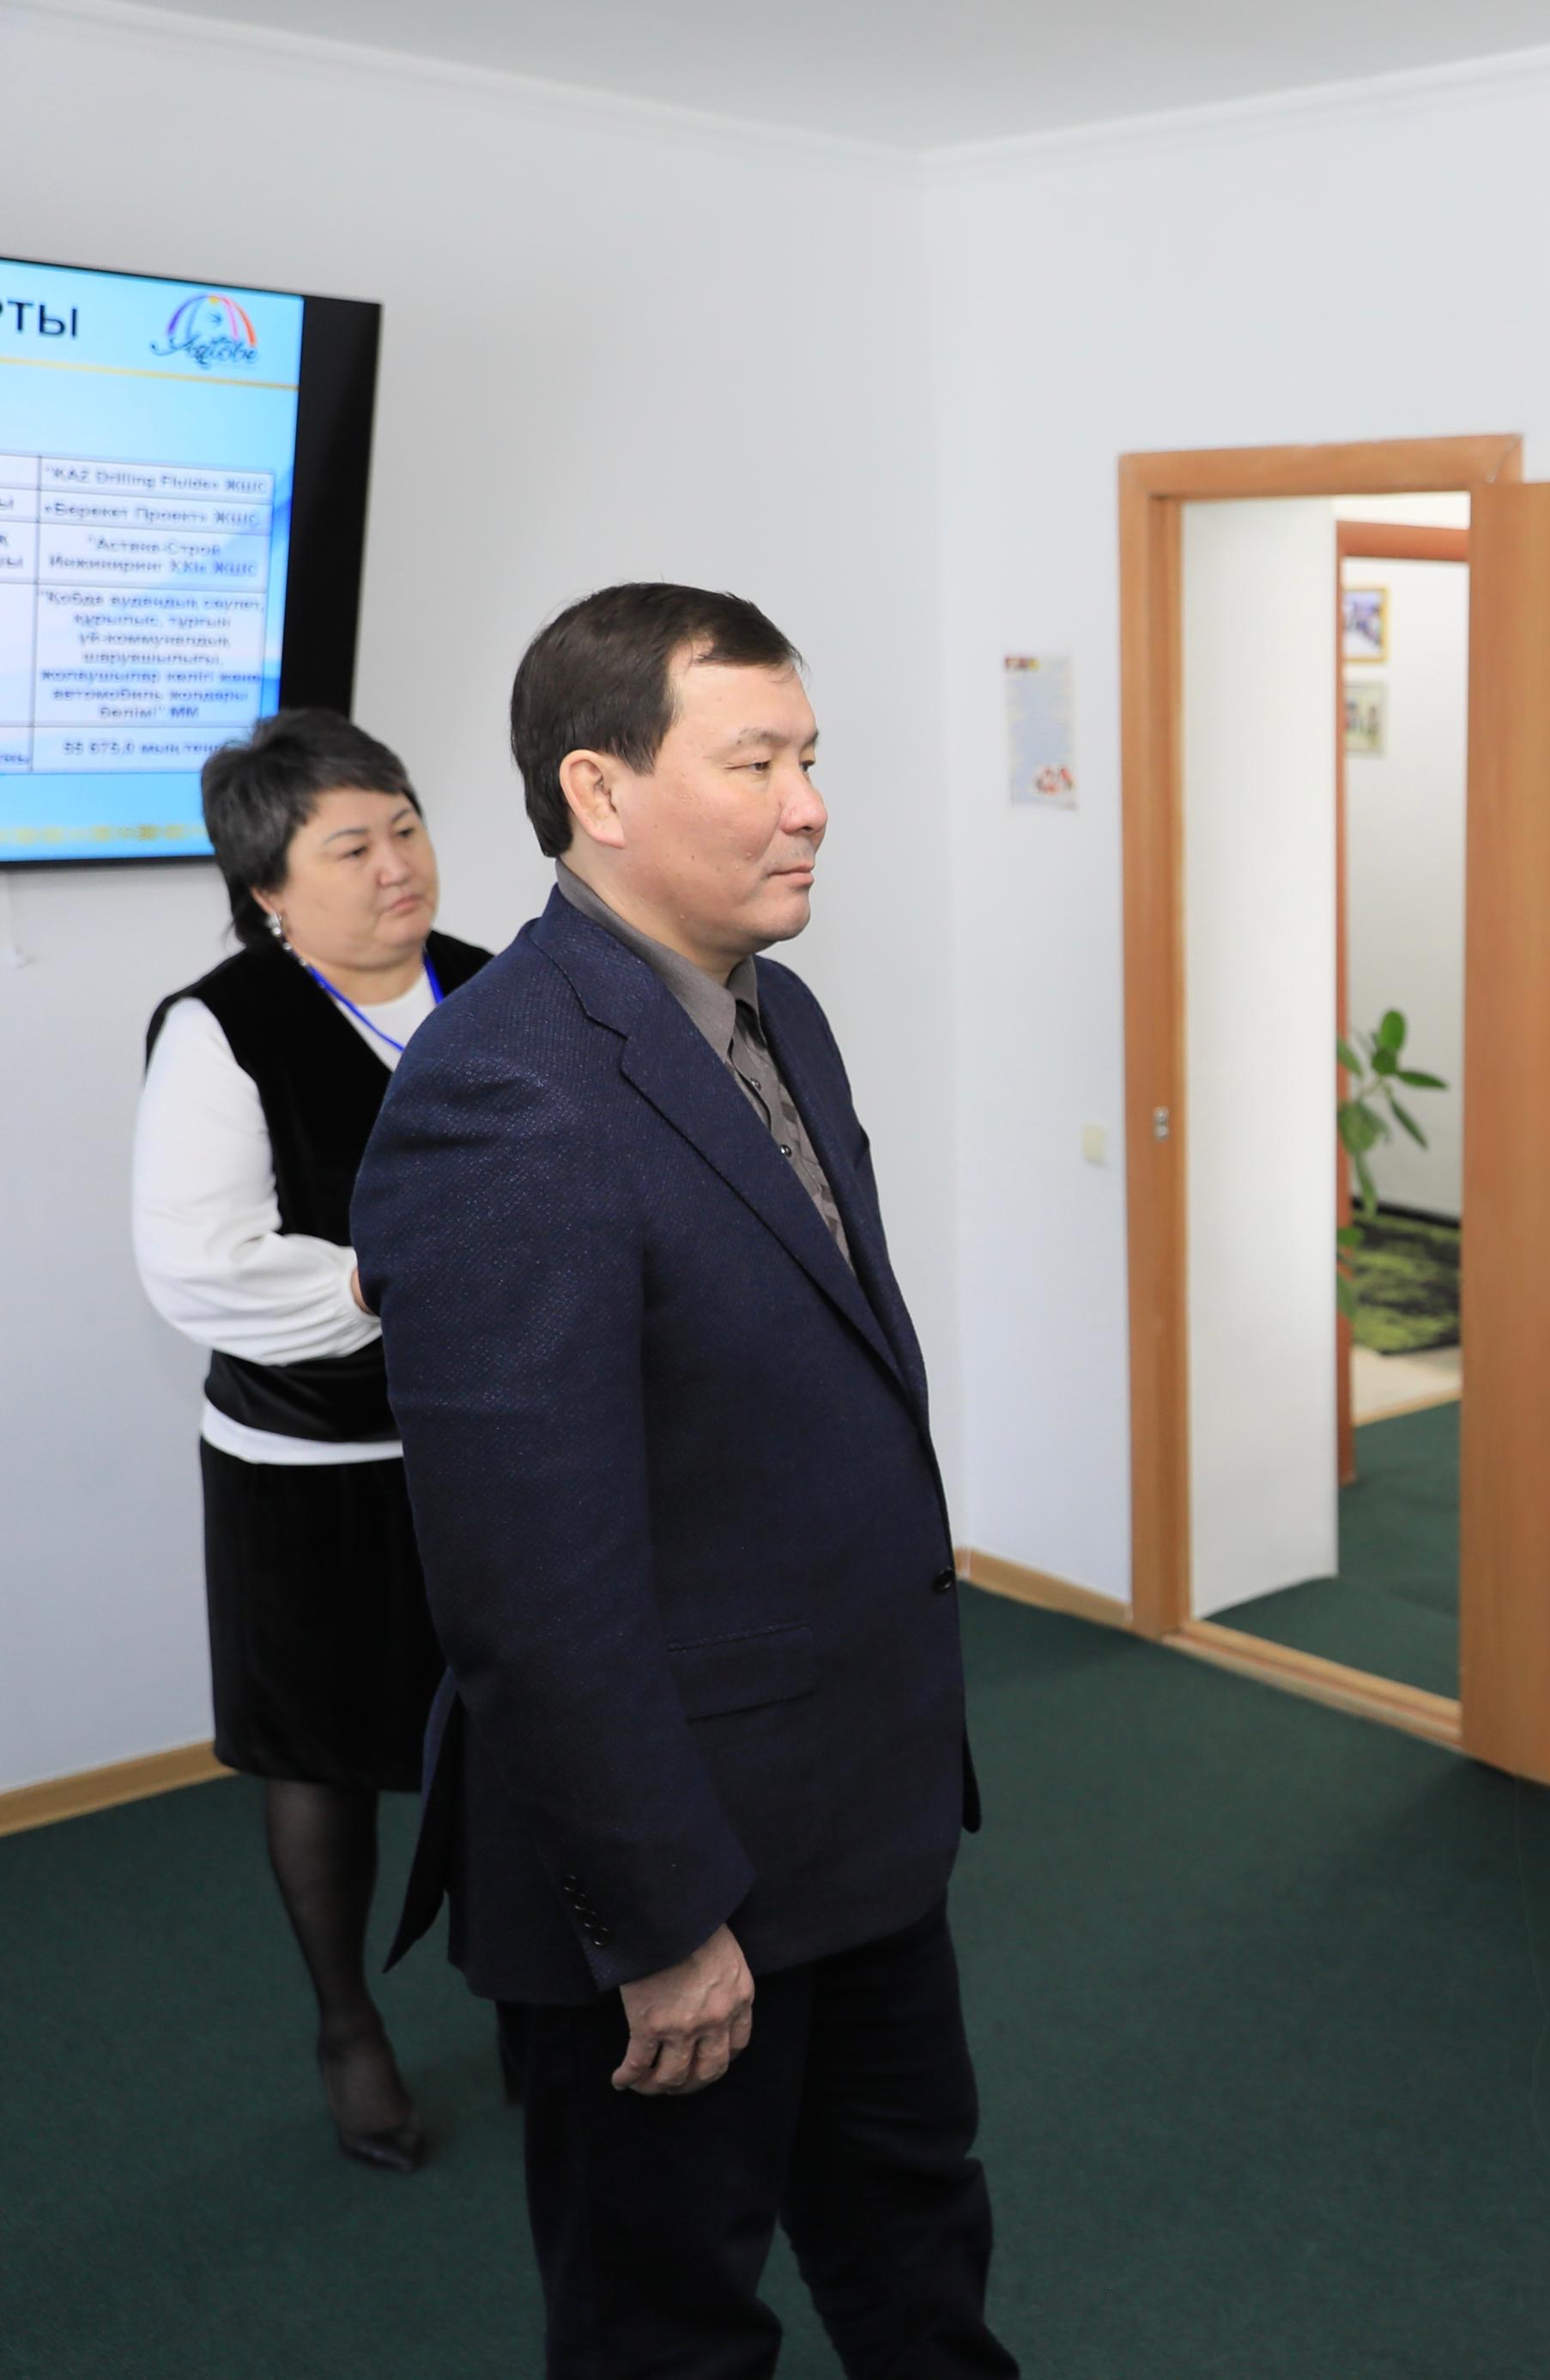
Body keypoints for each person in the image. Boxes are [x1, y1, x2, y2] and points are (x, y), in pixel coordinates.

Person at [357, 584, 1011, 2377]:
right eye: (756, 762)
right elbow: (527, 1583)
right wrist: (658, 1920)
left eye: (810, 759)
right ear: (600, 789)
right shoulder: (507, 1090)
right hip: (667, 1874)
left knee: (918, 2252)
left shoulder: (777, 1011)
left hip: (851, 1816)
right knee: (667, 2329)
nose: (810, 805)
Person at [131, 711, 490, 2173]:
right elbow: (201, 1263)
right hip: (312, 1471)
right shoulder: (222, 1028)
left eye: (406, 825)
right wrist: (397, 1279)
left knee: (523, 1728)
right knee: (323, 1755)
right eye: (352, 846)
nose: (399, 864)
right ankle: (347, 2023)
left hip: (496, 1451)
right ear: (267, 887)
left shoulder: (500, 987)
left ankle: (539, 1992)